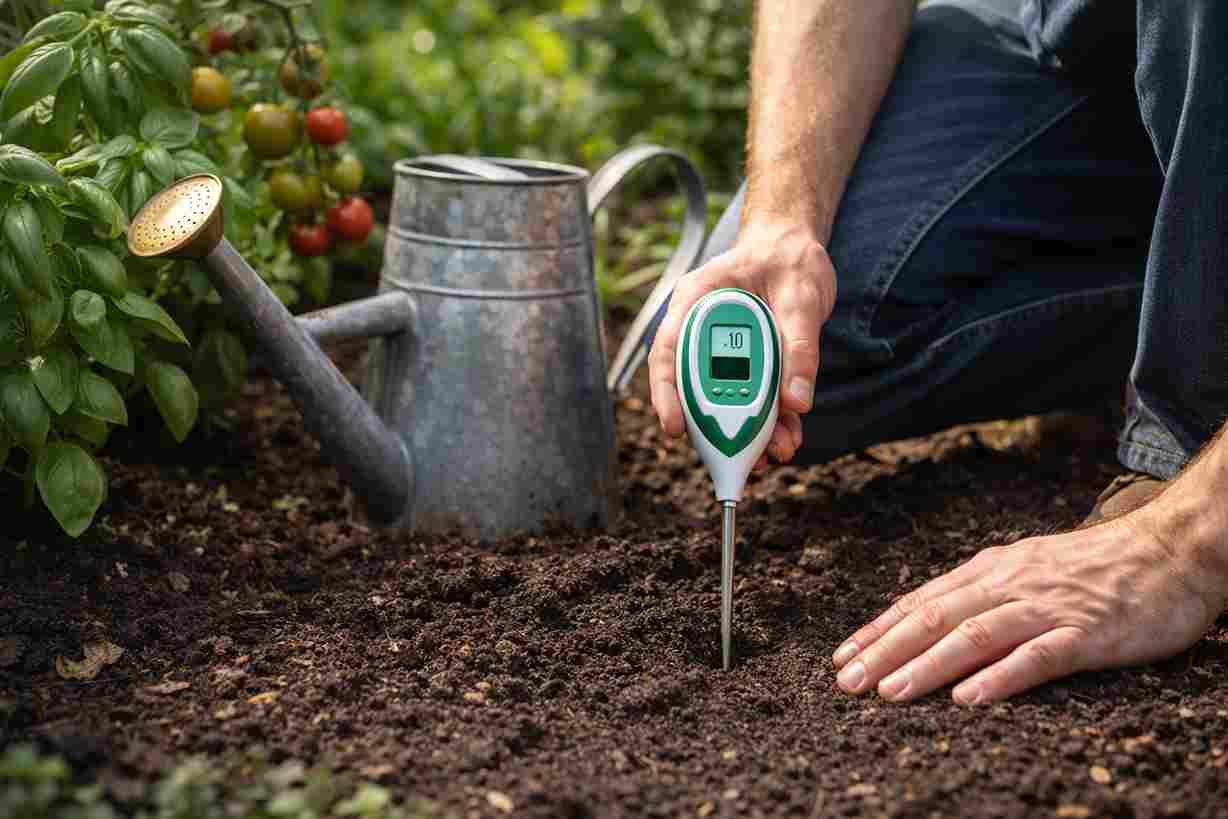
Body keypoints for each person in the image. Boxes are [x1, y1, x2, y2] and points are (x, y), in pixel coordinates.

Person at [646, 0, 1228, 703]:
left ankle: (1192, 414)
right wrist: (783, 226)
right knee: (798, 337)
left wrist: (1184, 542)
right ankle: (1183, 288)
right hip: (1084, 52)